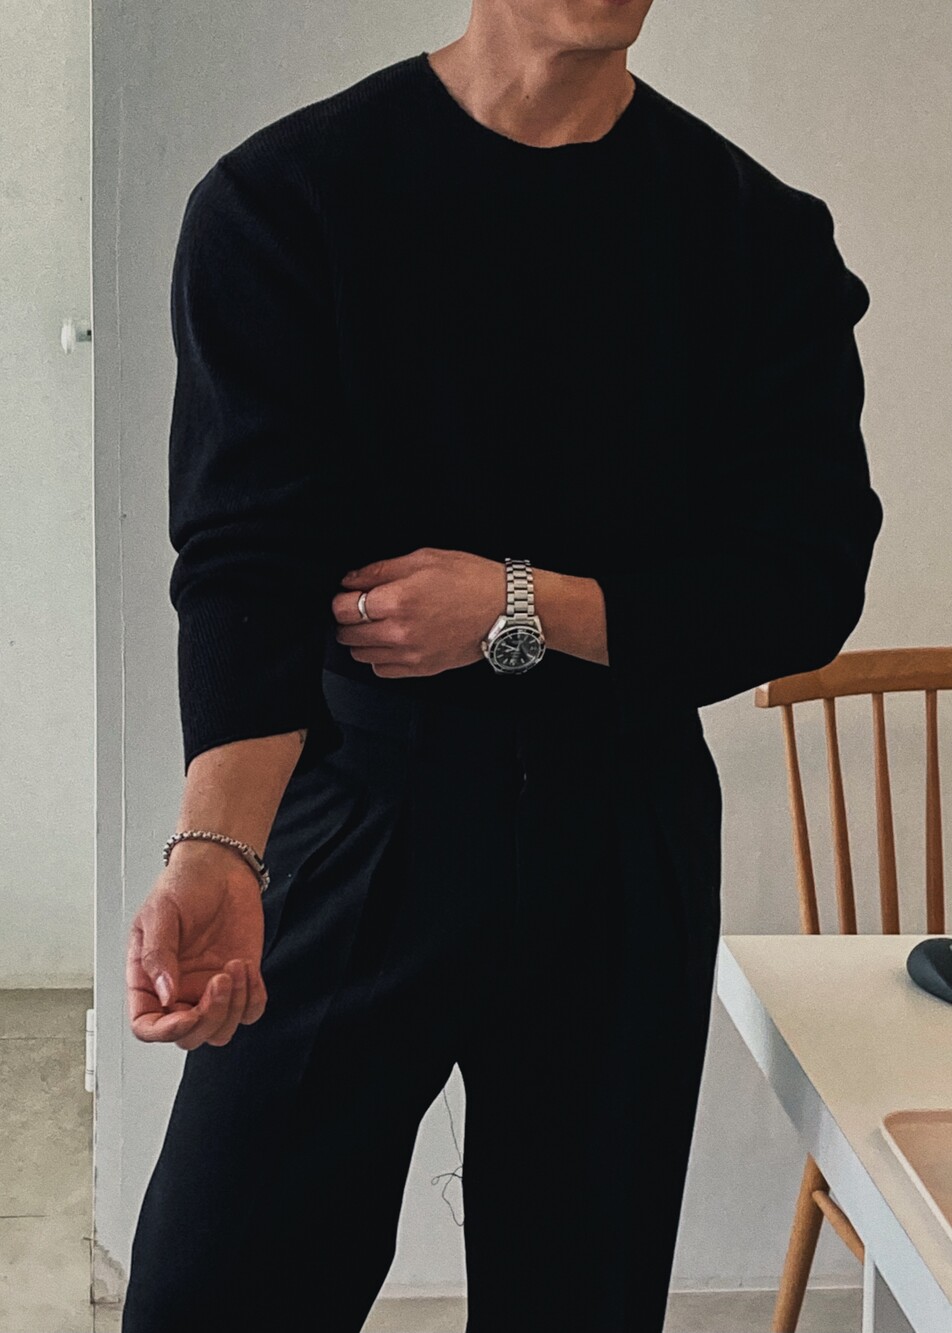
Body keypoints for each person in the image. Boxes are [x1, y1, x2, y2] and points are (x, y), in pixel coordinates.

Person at [121, 3, 884, 1329]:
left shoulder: (754, 237)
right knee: (216, 1291)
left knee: (579, 1302)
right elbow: (247, 563)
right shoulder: (289, 202)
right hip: (364, 817)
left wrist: (523, 605)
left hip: (625, 837)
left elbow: (807, 578)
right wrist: (216, 851)